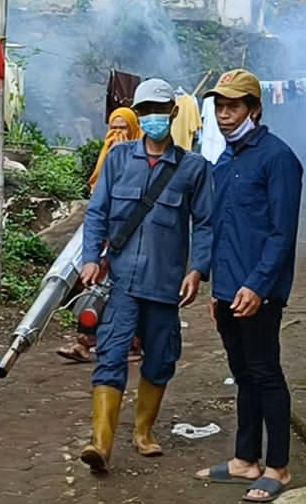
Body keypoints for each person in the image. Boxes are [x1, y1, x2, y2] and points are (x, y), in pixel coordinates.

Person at [78, 78, 214, 472]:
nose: (154, 117)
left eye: (160, 109)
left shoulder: (194, 169)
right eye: (146, 111)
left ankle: (143, 432)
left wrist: (198, 269)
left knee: (161, 357)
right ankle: (100, 444)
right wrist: (91, 257)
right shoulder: (119, 159)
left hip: (165, 284)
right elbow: (97, 213)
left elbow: (204, 223)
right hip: (121, 283)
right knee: (111, 354)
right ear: (138, 115)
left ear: (172, 113)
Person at [194, 70, 304, 503]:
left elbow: (282, 232)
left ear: (254, 109)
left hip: (261, 292)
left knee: (266, 373)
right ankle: (244, 459)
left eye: (234, 107)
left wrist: (257, 286)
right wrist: (218, 290)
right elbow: (220, 227)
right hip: (229, 292)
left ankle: (278, 466)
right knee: (242, 374)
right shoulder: (227, 159)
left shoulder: (278, 159)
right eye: (220, 107)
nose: (224, 115)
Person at [59, 107, 140, 364]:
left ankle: (133, 342)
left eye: (123, 128)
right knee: (94, 285)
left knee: (125, 288)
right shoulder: (108, 155)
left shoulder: (141, 158)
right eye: (113, 128)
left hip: (132, 236)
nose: (117, 133)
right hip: (105, 234)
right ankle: (85, 340)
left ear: (133, 129)